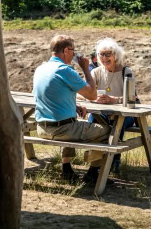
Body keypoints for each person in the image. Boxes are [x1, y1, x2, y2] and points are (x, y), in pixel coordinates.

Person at [33, 34, 112, 184]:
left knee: (72, 121)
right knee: (108, 131)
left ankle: (67, 167)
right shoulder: (65, 70)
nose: (75, 54)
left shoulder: (41, 69)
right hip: (62, 130)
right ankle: (93, 173)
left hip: (42, 128)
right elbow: (92, 95)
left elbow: (46, 95)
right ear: (65, 50)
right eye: (73, 50)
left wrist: (73, 105)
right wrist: (86, 69)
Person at [88, 37, 136, 173]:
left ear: (115, 55)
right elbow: (81, 93)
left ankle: (114, 159)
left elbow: (133, 98)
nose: (104, 58)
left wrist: (114, 100)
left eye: (107, 54)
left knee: (117, 123)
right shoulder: (95, 72)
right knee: (93, 119)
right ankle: (95, 160)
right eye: (101, 55)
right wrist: (94, 96)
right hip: (102, 113)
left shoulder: (126, 72)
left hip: (125, 115)